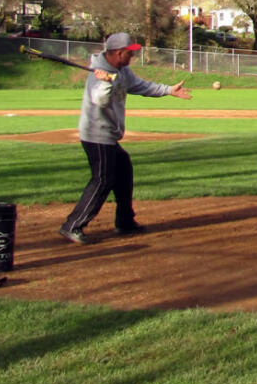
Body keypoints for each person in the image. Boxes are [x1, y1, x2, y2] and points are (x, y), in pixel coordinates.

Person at [59, 33, 191, 244]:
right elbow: (100, 101)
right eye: (130, 53)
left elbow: (141, 86)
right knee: (103, 179)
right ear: (119, 53)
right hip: (96, 134)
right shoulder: (97, 74)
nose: (133, 57)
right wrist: (103, 82)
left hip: (109, 135)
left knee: (123, 171)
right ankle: (73, 225)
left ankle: (125, 222)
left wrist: (168, 90)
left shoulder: (122, 71)